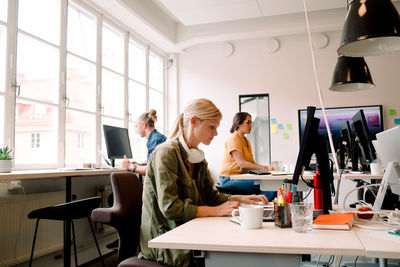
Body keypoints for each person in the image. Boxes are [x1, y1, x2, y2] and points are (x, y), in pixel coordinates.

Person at [138, 99, 268, 267]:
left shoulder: (197, 158)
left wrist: (239, 199)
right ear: (194, 122)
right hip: (166, 239)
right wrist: (215, 211)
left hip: (188, 230)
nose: (215, 134)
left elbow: (211, 196)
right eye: (212, 127)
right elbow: (171, 208)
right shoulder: (166, 153)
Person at [219, 112, 277, 201]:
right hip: (228, 179)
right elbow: (242, 164)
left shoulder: (246, 141)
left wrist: (267, 169)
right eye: (248, 122)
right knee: (268, 186)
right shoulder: (234, 138)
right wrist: (266, 168)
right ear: (238, 123)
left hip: (240, 177)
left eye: (251, 123)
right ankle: (253, 206)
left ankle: (252, 205)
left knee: (270, 187)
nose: (251, 125)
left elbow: (251, 164)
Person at [120, 109, 166, 175]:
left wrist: (129, 166)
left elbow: (151, 170)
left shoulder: (155, 140)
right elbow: (156, 163)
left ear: (143, 125)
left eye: (136, 126)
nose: (136, 131)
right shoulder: (157, 137)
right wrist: (140, 165)